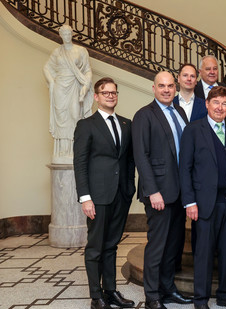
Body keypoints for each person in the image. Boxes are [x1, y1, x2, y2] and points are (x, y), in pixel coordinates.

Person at [179, 86, 226, 309]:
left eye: (224, 103)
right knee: (204, 254)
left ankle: (225, 294)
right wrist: (190, 202)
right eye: (215, 102)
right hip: (205, 203)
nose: (220, 107)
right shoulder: (193, 130)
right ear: (207, 104)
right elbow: (185, 168)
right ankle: (201, 299)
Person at [73, 77, 135, 309]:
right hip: (97, 197)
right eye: (105, 92)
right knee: (95, 246)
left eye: (114, 92)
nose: (110, 95)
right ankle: (96, 296)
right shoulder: (86, 125)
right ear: (96, 96)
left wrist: (130, 188)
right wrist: (85, 197)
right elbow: (79, 163)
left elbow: (129, 161)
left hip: (121, 195)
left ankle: (111, 291)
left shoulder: (126, 124)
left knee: (112, 245)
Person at [132, 72, 192, 309]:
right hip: (159, 193)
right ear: (154, 88)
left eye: (170, 86)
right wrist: (152, 191)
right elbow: (141, 156)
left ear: (175, 88)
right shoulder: (144, 115)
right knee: (157, 246)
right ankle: (153, 296)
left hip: (178, 192)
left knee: (173, 245)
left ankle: (168, 289)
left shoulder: (179, 112)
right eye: (162, 86)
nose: (166, 90)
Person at [44, 25, 93, 164]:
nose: (66, 36)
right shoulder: (57, 52)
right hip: (60, 87)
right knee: (61, 118)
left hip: (74, 85)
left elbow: (88, 70)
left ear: (72, 34)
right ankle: (62, 151)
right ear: (60, 35)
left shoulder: (80, 51)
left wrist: (86, 85)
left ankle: (75, 150)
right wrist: (51, 82)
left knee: (75, 115)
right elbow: (46, 68)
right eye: (63, 34)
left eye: (68, 34)